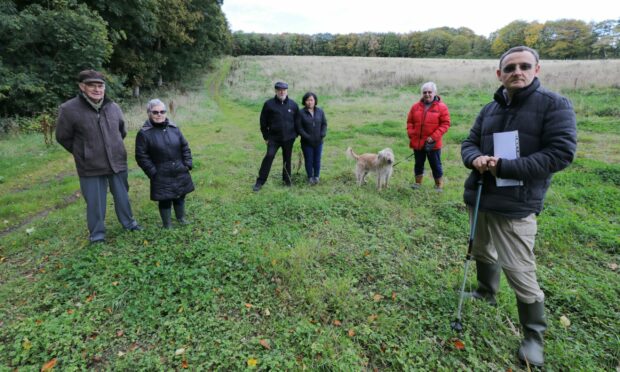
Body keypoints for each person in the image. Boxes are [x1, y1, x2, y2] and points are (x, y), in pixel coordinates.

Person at [461, 46, 577, 367]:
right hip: (481, 197)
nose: (517, 72)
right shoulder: (489, 109)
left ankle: (533, 337)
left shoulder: (554, 106)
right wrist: (476, 158)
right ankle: (486, 291)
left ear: (537, 69)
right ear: (499, 74)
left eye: (524, 66)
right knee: (482, 250)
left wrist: (506, 167)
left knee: (519, 270)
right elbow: (468, 143)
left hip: (516, 205)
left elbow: (561, 154)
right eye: (509, 68)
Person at [56, 70, 141, 244]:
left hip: (117, 160)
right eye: (91, 85)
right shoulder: (69, 109)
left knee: (123, 196)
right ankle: (97, 235)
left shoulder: (113, 106)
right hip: (90, 165)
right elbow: (63, 137)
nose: (97, 89)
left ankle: (129, 224)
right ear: (82, 87)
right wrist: (84, 152)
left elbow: (121, 131)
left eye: (100, 85)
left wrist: (113, 147)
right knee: (95, 203)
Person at [135, 99, 195, 228]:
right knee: (165, 199)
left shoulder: (174, 129)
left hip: (179, 170)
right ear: (149, 113)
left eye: (162, 111)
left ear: (166, 113)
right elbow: (141, 156)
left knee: (180, 195)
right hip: (160, 173)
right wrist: (153, 172)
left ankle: (181, 218)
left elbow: (185, 147)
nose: (159, 114)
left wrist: (187, 164)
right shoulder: (144, 134)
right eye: (155, 112)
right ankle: (167, 225)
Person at [252, 81, 299, 192]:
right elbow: (263, 122)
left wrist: (295, 134)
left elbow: (298, 121)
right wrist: (266, 137)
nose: (282, 92)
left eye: (284, 90)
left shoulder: (293, 104)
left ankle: (287, 180)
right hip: (274, 138)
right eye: (279, 90)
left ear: (287, 91)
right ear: (276, 91)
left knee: (287, 159)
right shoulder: (269, 104)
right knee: (269, 156)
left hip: (289, 138)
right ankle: (260, 182)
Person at [406, 81, 451, 191]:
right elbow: (410, 122)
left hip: (433, 144)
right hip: (417, 142)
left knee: (435, 165)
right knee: (418, 164)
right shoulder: (415, 107)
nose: (427, 94)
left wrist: (434, 137)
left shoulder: (442, 107)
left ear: (435, 93)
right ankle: (417, 183)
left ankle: (438, 185)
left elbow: (445, 124)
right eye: (425, 92)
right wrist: (412, 134)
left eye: (429, 92)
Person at [295, 92, 327, 185]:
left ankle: (316, 176)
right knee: (309, 160)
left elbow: (324, 124)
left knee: (317, 159)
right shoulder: (301, 113)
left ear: (315, 101)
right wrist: (307, 136)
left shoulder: (320, 111)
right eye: (307, 100)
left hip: (319, 141)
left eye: (311, 100)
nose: (310, 102)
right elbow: (299, 127)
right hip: (306, 142)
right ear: (304, 101)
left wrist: (322, 133)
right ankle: (310, 177)